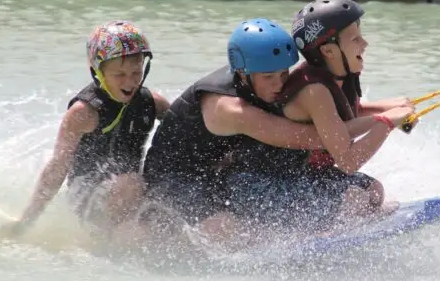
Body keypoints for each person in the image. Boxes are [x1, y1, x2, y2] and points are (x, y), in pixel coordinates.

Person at [141, 18, 376, 242]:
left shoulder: (257, 78)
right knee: (225, 228)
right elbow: (312, 138)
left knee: (369, 190)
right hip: (175, 178)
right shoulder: (229, 109)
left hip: (222, 170)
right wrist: (384, 121)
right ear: (243, 74)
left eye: (284, 74)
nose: (279, 84)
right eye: (269, 77)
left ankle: (305, 229)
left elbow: (335, 118)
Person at [224, 0, 416, 233]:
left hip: (299, 177)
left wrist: (389, 107)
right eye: (355, 39)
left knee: (374, 190)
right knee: (354, 199)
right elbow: (347, 161)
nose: (364, 44)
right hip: (259, 184)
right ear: (329, 50)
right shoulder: (313, 91)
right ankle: (315, 238)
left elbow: (344, 115)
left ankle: (339, 225)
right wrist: (386, 122)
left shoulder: (338, 75)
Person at [0, 20, 170, 237]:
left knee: (154, 196)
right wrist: (26, 221)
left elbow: (187, 132)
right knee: (132, 183)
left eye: (136, 72)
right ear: (98, 72)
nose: (130, 82)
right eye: (119, 75)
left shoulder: (153, 102)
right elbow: (57, 166)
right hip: (87, 197)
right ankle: (105, 243)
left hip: (129, 192)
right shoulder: (83, 113)